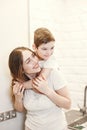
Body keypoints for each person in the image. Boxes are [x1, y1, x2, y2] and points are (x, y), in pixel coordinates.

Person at [8, 46, 71, 130]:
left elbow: (68, 104)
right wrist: (18, 98)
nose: (35, 61)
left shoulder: (52, 74)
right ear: (21, 69)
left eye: (33, 56)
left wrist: (47, 91)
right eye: (28, 61)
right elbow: (20, 109)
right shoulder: (20, 83)